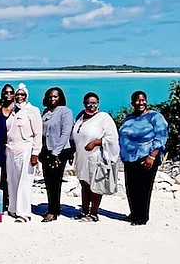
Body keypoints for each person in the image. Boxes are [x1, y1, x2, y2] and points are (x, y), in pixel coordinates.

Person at [119, 91, 168, 226]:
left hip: (146, 157)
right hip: (129, 158)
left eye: (142, 100)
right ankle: (134, 213)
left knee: (144, 188)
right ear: (132, 103)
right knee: (131, 187)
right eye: (137, 100)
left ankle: (142, 217)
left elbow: (161, 137)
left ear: (146, 101)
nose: (140, 103)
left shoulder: (155, 117)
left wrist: (152, 156)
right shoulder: (129, 117)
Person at [71, 92, 119, 222]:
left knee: (95, 184)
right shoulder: (81, 115)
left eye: (94, 103)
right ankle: (84, 210)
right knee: (84, 183)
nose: (91, 105)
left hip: (96, 156)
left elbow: (112, 138)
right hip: (81, 156)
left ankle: (94, 213)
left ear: (98, 103)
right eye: (88, 102)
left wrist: (95, 143)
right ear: (84, 103)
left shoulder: (104, 118)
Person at [5, 83, 42, 223]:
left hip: (26, 149)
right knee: (12, 181)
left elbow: (38, 133)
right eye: (18, 94)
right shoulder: (13, 111)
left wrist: (35, 153)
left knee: (24, 182)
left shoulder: (32, 110)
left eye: (22, 94)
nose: (20, 97)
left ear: (27, 96)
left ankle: (24, 213)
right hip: (10, 149)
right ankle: (13, 209)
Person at [39, 87, 73, 222]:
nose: (52, 99)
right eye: (50, 97)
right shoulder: (46, 112)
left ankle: (53, 211)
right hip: (47, 151)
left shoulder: (65, 111)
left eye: (55, 96)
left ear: (60, 98)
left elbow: (65, 133)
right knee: (48, 181)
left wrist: (55, 153)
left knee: (54, 181)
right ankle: (53, 206)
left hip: (59, 152)